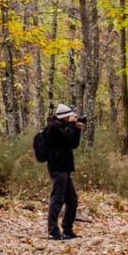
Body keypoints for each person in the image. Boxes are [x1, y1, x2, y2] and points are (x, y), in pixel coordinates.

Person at [36, 103, 83, 240]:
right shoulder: (53, 128)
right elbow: (66, 139)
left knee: (72, 200)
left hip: (65, 168)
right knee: (57, 199)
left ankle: (67, 230)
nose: (72, 118)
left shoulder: (62, 127)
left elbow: (73, 144)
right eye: (69, 116)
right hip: (57, 168)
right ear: (64, 117)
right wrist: (72, 126)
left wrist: (77, 129)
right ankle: (53, 231)